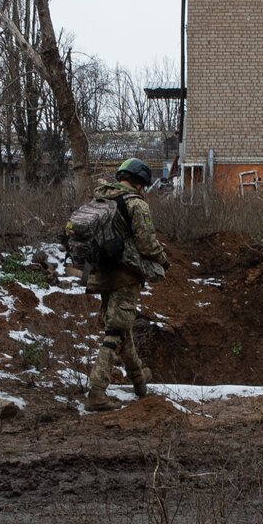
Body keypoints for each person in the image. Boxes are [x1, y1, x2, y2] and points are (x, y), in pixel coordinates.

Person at [79, 158, 169, 411]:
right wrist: (164, 261)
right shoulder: (135, 204)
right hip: (124, 275)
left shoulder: (100, 199)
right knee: (115, 332)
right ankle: (97, 391)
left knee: (121, 328)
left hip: (100, 274)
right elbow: (147, 244)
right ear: (139, 182)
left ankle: (140, 382)